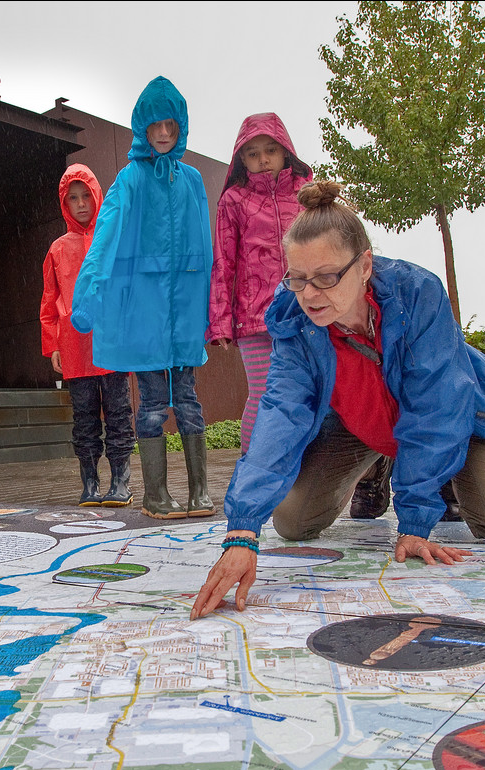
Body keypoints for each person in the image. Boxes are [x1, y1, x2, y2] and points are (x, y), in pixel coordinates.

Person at [191, 181, 485, 621]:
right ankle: (381, 464)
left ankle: (441, 476)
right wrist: (243, 530)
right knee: (292, 521)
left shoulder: (418, 294)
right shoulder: (292, 317)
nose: (308, 294)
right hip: (357, 425)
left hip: (456, 421)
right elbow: (281, 413)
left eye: (326, 277)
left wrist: (416, 522)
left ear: (364, 265)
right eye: (298, 278)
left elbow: (436, 407)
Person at [71, 75, 214, 519]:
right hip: (149, 315)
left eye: (171, 124)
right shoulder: (129, 180)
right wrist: (88, 291)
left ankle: (199, 491)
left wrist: (213, 309)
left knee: (188, 400)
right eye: (156, 126)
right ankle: (155, 494)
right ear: (142, 129)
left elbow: (208, 252)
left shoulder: (192, 181)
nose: (165, 133)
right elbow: (105, 236)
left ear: (181, 126)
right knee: (152, 403)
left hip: (185, 315)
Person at [206, 113, 312, 454]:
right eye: (252, 153)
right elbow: (224, 260)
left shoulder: (305, 194)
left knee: (308, 389)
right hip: (254, 317)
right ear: (241, 160)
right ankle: (254, 466)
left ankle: (303, 471)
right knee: (266, 391)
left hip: (306, 310)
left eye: (270, 150)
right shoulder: (233, 200)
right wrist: (220, 321)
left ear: (286, 152)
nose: (263, 159)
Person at [40, 164, 136, 506]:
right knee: (83, 416)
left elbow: (129, 289)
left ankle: (121, 480)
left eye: (86, 196)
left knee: (119, 412)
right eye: (73, 198)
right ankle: (90, 481)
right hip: (74, 345)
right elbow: (49, 301)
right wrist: (53, 345)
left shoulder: (114, 238)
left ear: (97, 196)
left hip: (112, 343)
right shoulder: (56, 249)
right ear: (64, 204)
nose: (81, 204)